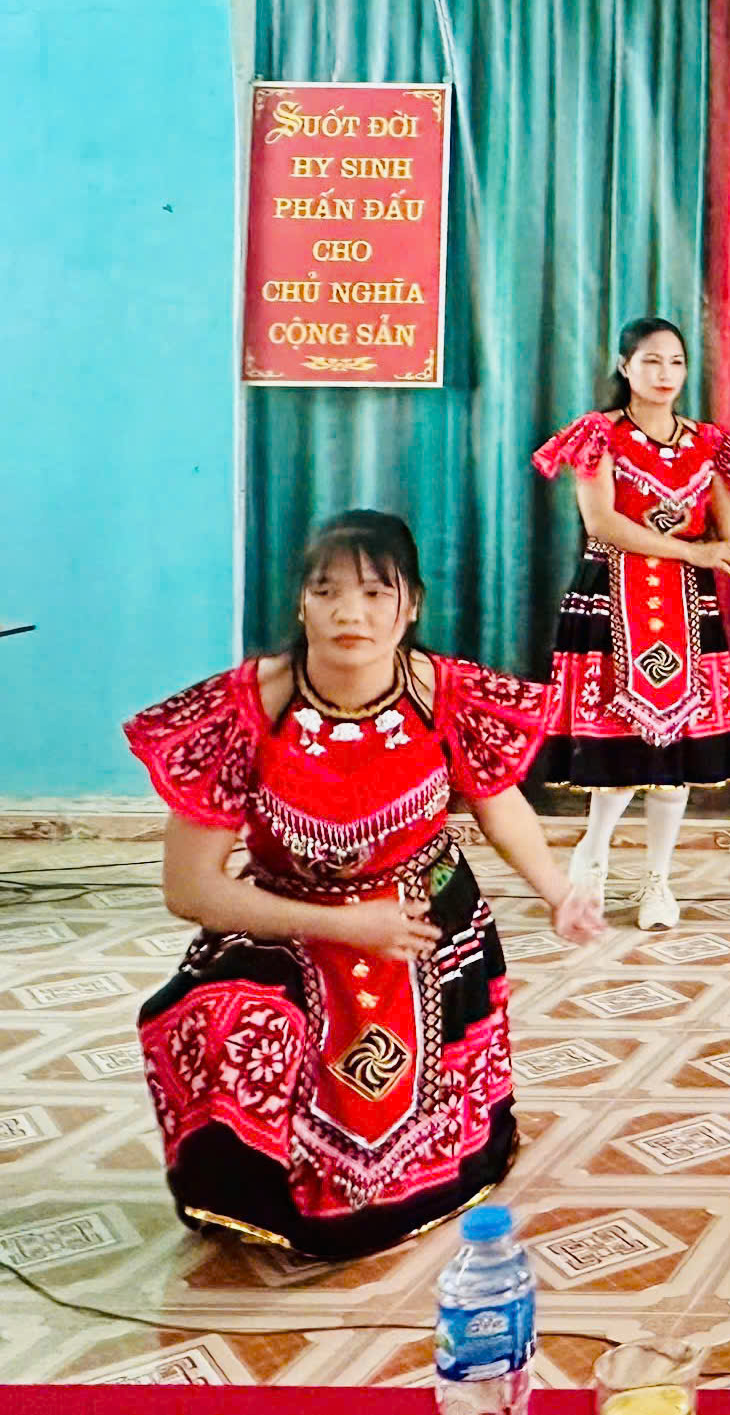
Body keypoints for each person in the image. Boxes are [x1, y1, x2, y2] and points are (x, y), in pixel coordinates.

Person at [121, 510, 607, 1260]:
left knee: (407, 1130)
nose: (352, 613)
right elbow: (189, 888)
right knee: (226, 1021)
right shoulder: (244, 710)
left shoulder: (443, 692)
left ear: (411, 606)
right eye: (328, 591)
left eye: (377, 593)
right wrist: (344, 925)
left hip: (423, 928)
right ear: (300, 604)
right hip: (285, 922)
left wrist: (558, 890)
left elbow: (497, 801)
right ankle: (255, 1192)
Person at [534, 317, 730, 930]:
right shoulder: (599, 436)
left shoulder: (707, 444)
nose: (664, 374)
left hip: (686, 607)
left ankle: (658, 881)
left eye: (675, 362)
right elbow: (603, 524)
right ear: (625, 368)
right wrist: (693, 553)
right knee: (621, 749)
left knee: (676, 757)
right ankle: (594, 857)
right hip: (613, 597)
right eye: (650, 361)